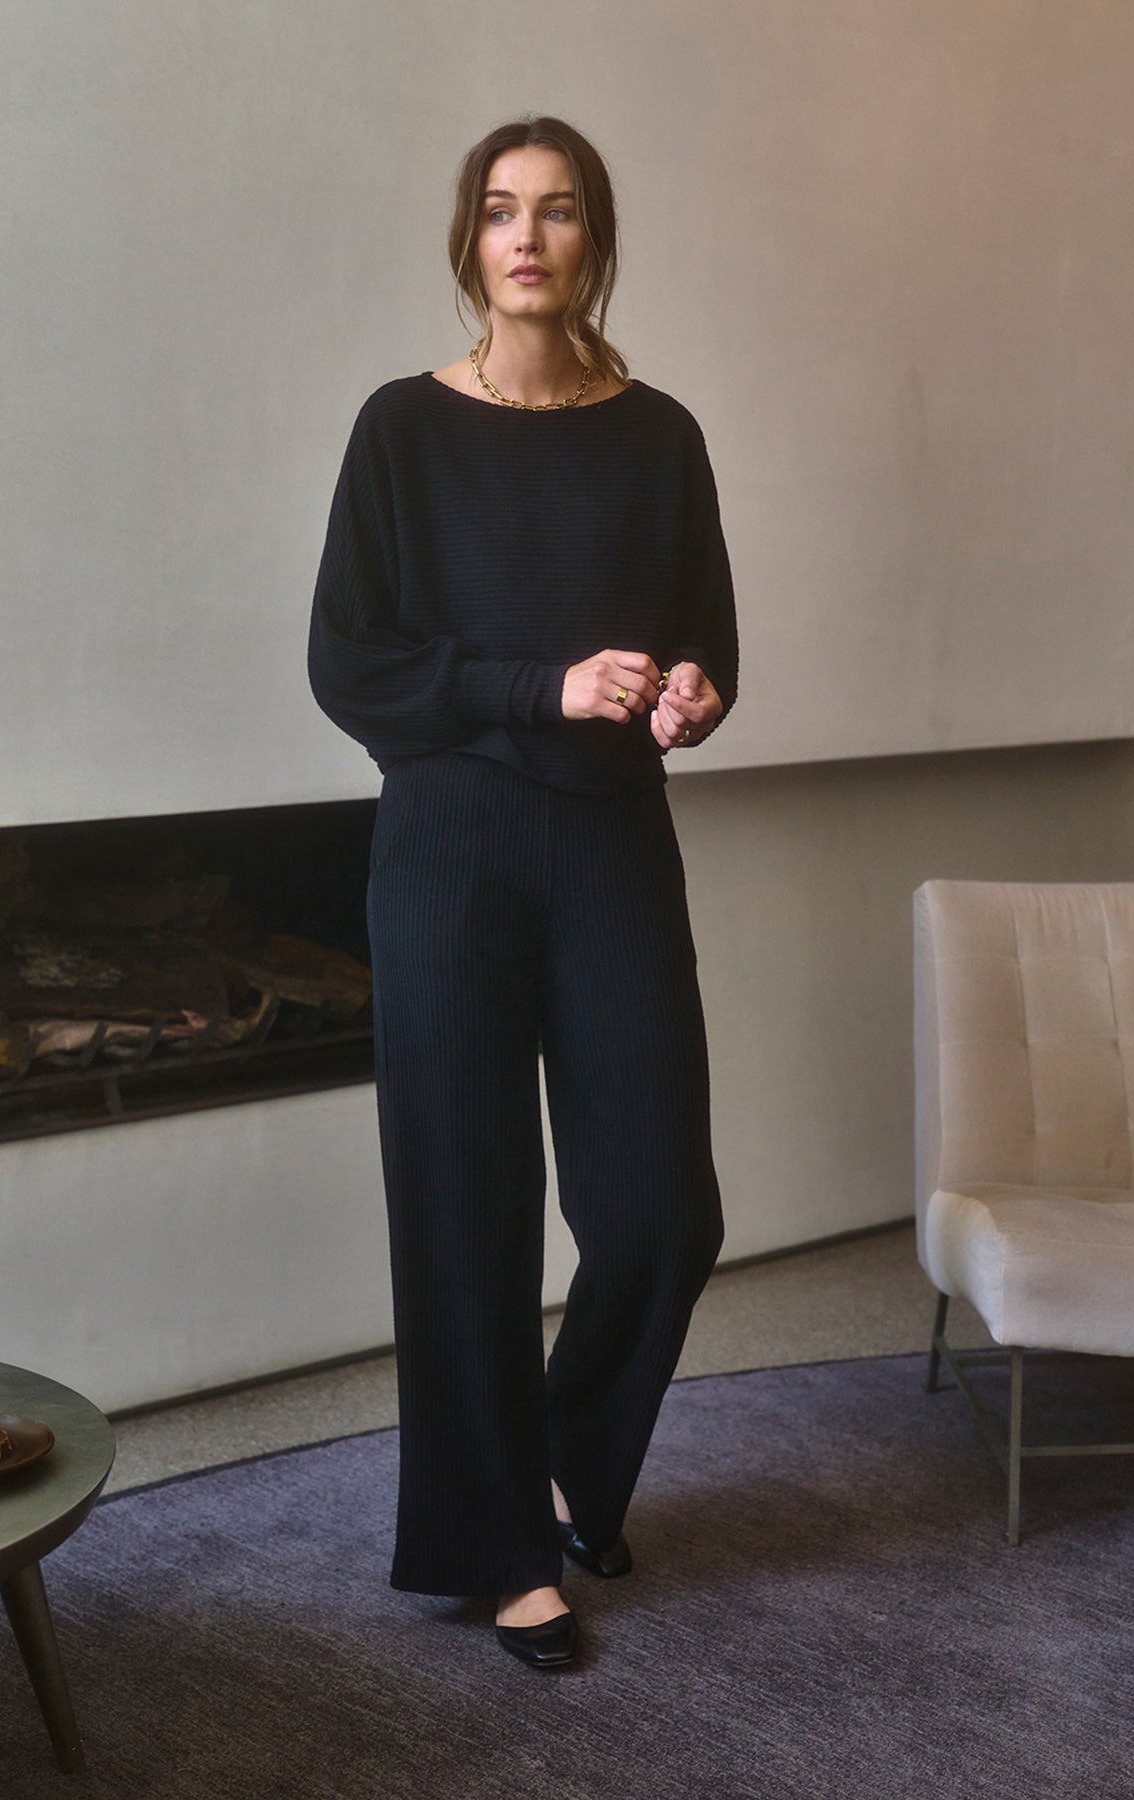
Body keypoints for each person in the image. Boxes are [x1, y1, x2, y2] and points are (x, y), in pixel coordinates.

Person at [308, 115, 738, 1670]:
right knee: (466, 1212)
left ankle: (553, 1468)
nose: (530, 238)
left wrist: (694, 696)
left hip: (614, 844)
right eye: (502, 212)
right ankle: (502, 1554)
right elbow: (350, 667)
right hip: (449, 850)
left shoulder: (660, 434)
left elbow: (708, 643)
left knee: (659, 1213)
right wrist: (537, 684)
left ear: (595, 239)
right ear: (470, 243)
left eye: (559, 213)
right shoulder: (402, 432)